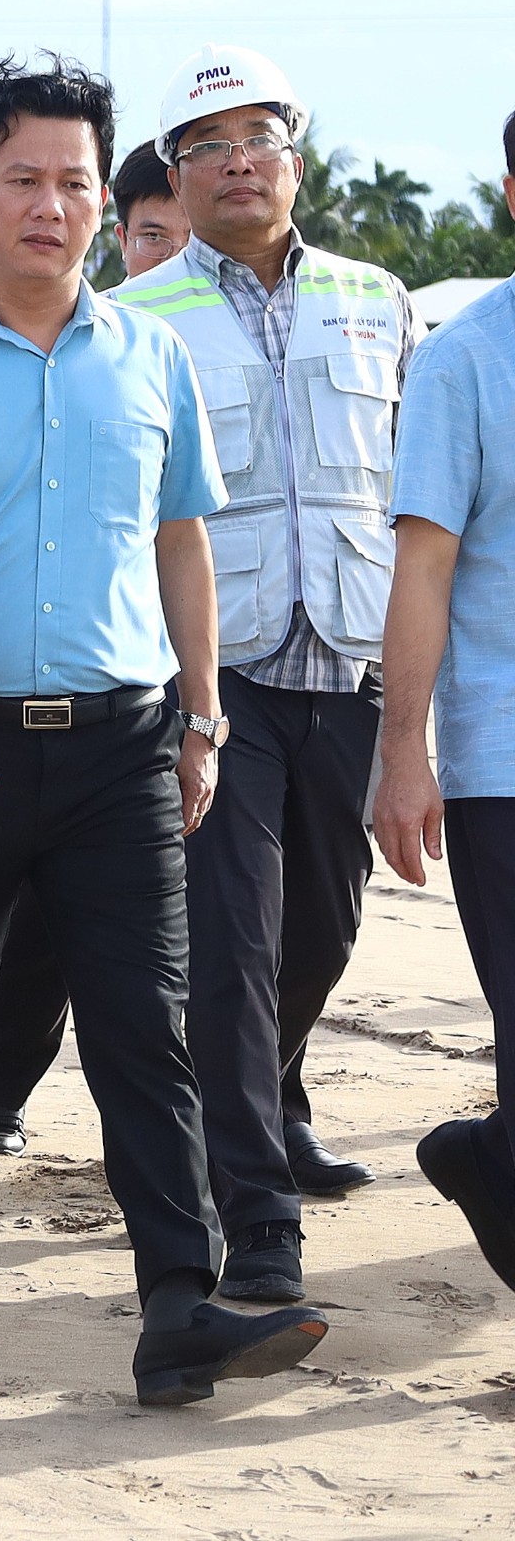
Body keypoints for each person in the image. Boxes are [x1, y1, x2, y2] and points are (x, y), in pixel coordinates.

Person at [0, 52, 328, 1404]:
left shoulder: (149, 355)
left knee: (144, 1023)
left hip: (122, 745)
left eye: (76, 183)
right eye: (23, 180)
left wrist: (204, 716)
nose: (51, 206)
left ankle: (178, 1299)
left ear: (108, 200)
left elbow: (183, 546)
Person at [111, 44, 414, 1302]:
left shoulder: (375, 297)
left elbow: (412, 499)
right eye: (208, 146)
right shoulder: (132, 321)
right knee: (229, 947)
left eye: (261, 140)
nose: (239, 162)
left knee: (322, 931)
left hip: (349, 667)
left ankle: (263, 1097)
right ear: (175, 181)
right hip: (214, 682)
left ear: (297, 160)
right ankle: (259, 1217)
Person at [374, 175, 515, 1291]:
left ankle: (485, 1160)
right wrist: (403, 749)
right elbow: (423, 563)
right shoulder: (464, 358)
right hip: (501, 760)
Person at [112, 140, 190, 280]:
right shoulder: (97, 302)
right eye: (154, 236)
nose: (174, 261)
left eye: (193, 240)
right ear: (123, 240)